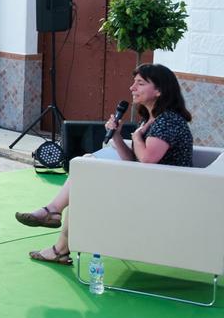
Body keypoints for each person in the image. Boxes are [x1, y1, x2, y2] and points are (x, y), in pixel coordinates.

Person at [15, 63, 194, 265]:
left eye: (140, 83)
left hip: (165, 193)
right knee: (86, 174)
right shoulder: (153, 119)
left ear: (159, 90)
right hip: (152, 184)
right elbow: (133, 160)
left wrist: (135, 136)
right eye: (133, 82)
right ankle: (57, 237)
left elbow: (147, 160)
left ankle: (53, 217)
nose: (132, 88)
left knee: (86, 174)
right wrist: (117, 136)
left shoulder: (167, 120)